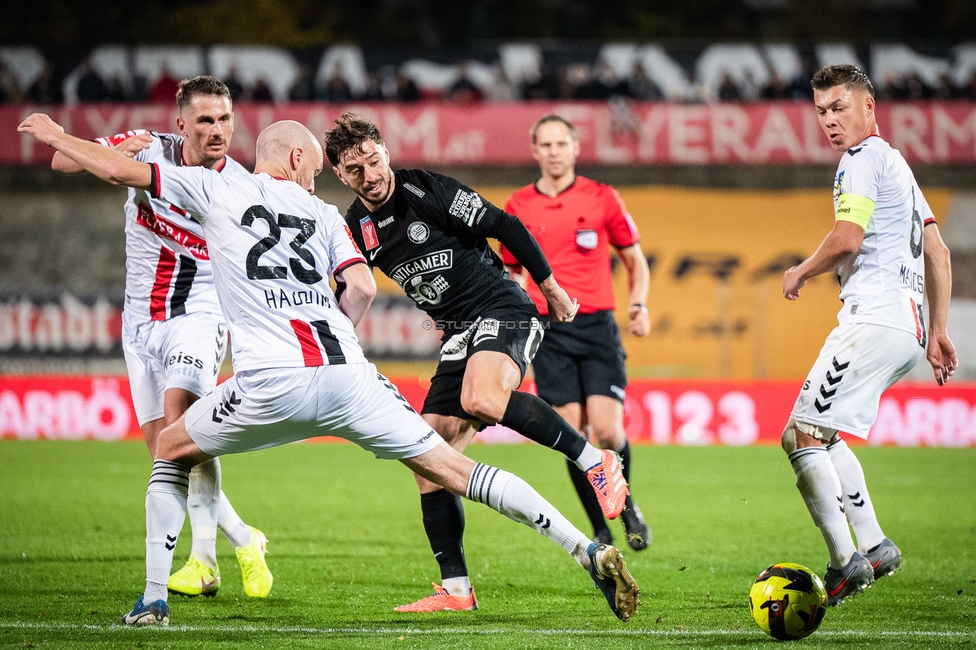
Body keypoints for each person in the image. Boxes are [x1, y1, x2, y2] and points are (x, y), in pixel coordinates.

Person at [18, 114, 642, 627]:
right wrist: (334, 326)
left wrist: (52, 133)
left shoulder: (216, 185)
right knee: (450, 467)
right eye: (323, 167)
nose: (326, 177)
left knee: (170, 448)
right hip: (351, 377)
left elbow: (113, 167)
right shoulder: (325, 218)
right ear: (297, 162)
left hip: (278, 381)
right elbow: (362, 289)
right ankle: (581, 550)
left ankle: (154, 599)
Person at [325, 113, 631, 613]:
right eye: (355, 171)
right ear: (340, 174)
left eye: (373, 161)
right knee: (425, 457)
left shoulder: (429, 190)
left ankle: (596, 461)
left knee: (482, 398)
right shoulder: (356, 228)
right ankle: (457, 590)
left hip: (503, 310)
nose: (370, 176)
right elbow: (345, 285)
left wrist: (549, 287)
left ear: (385, 150)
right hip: (456, 338)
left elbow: (505, 225)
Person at [50, 76, 273, 600]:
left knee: (183, 437)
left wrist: (59, 134)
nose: (217, 130)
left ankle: (201, 560)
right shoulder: (147, 148)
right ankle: (245, 537)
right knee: (164, 454)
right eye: (205, 121)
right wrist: (90, 145)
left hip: (198, 318)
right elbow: (63, 165)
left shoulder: (238, 186)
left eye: (224, 119)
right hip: (140, 323)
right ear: (181, 124)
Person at [780, 64, 957, 607]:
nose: (830, 122)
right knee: (824, 434)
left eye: (839, 108)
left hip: (872, 320)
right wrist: (938, 331)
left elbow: (848, 238)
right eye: (821, 112)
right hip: (905, 327)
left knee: (801, 435)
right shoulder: (897, 164)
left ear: (868, 108)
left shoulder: (859, 161)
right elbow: (938, 252)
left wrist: (801, 271)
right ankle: (875, 545)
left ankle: (843, 564)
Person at [502, 114, 652, 551]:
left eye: (560, 143)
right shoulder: (517, 205)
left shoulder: (602, 197)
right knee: (571, 433)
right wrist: (518, 316)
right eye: (544, 145)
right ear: (534, 151)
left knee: (607, 431)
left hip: (596, 325)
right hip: (549, 329)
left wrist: (638, 303)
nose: (553, 151)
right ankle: (600, 529)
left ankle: (626, 509)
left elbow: (635, 260)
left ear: (575, 148)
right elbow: (511, 271)